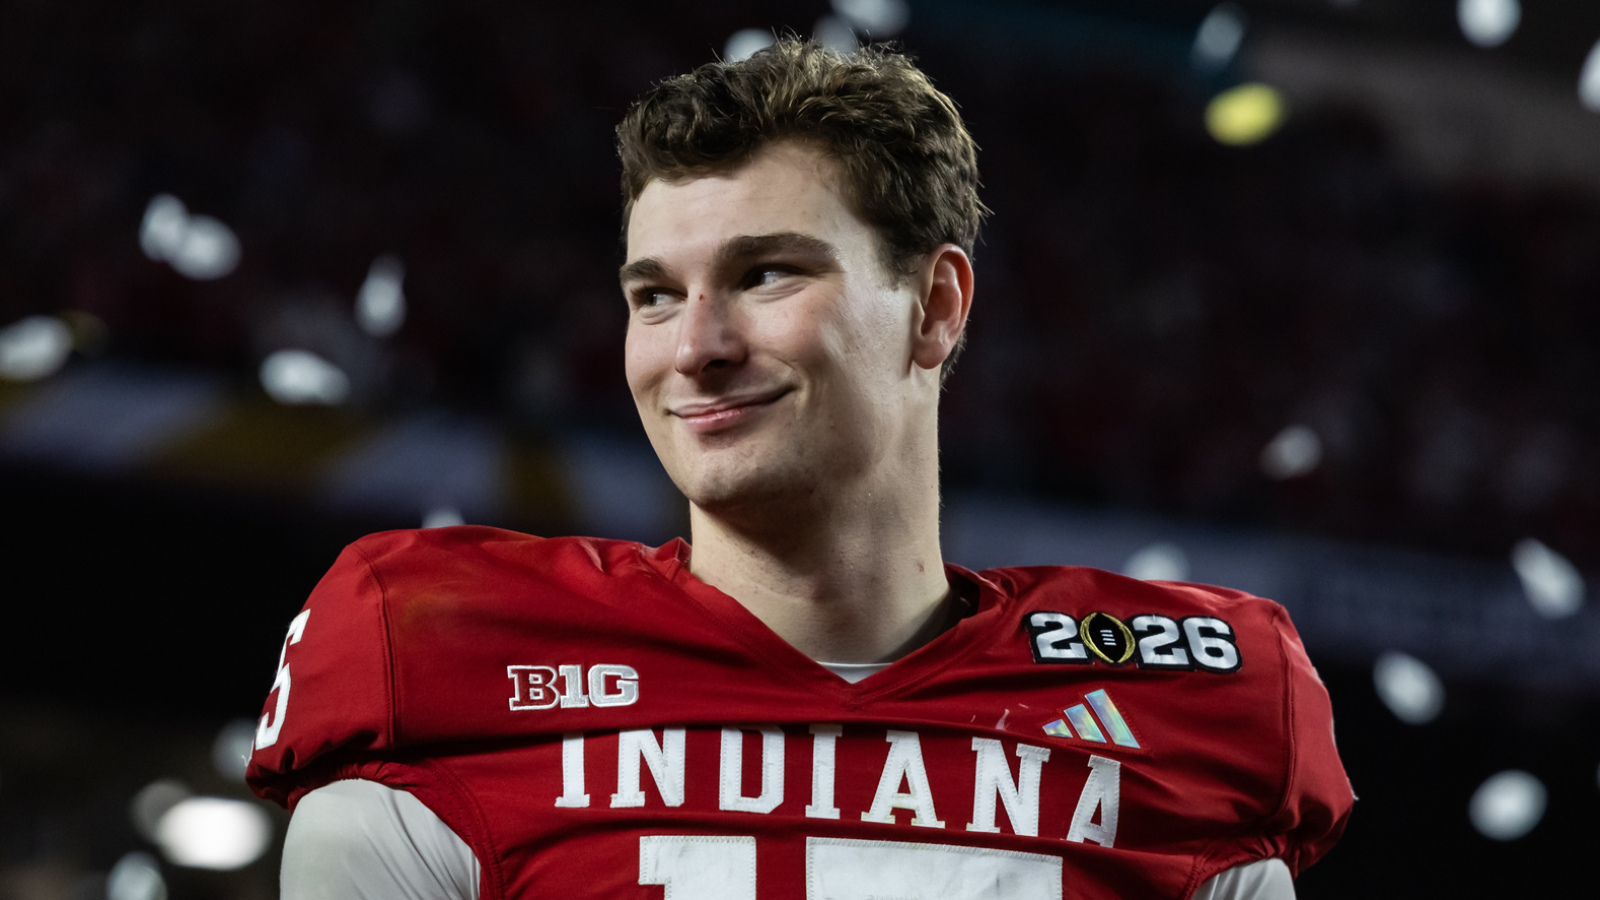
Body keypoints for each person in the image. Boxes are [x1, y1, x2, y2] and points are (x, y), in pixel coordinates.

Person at [247, 39, 1353, 900]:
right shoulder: (434, 655)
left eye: (766, 274)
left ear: (935, 306)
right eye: (654, 295)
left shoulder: (1188, 706)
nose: (695, 346)